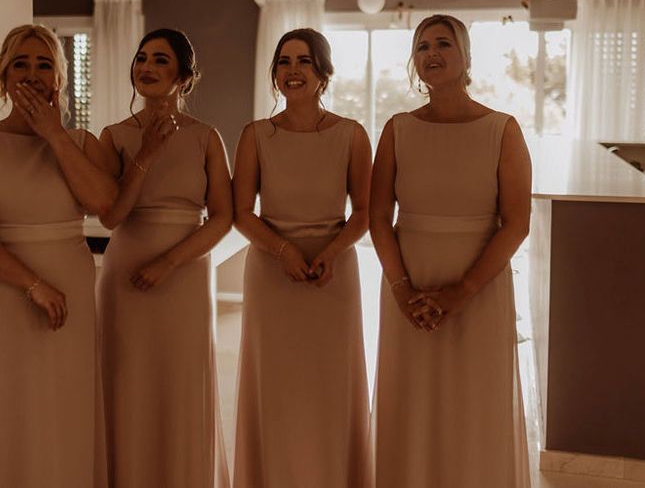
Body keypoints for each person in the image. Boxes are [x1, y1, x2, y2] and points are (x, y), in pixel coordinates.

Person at [369, 14, 532, 487]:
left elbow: (516, 223)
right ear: (414, 61)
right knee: (413, 399)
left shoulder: (503, 129)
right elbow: (379, 217)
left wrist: (462, 291)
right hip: (410, 282)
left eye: (443, 43)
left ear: (465, 58)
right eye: (422, 46)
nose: (432, 53)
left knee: (475, 399)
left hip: (478, 286)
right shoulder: (397, 128)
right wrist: (401, 289)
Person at [232, 28, 371, 487]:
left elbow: (366, 213)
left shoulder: (351, 135)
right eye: (284, 62)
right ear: (274, 74)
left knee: (330, 387)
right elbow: (239, 213)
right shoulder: (255, 135)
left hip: (334, 276)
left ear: (323, 72)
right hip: (272, 276)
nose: (293, 71)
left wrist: (331, 252)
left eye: (304, 61)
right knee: (277, 388)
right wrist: (283, 250)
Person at [96, 28, 232, 488]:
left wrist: (169, 263)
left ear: (184, 78)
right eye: (141, 58)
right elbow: (112, 216)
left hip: (186, 273)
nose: (146, 67)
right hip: (124, 271)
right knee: (128, 380)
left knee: (180, 382)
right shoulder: (112, 136)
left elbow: (222, 218)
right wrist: (146, 155)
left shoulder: (206, 138)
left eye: (160, 60)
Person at [0, 24, 116, 487]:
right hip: (10, 292)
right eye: (20, 64)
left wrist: (54, 135)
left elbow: (105, 207)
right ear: (4, 76)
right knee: (14, 402)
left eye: (43, 64)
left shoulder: (81, 143)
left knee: (64, 401)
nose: (31, 74)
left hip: (72, 290)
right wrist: (33, 285)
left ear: (59, 79)